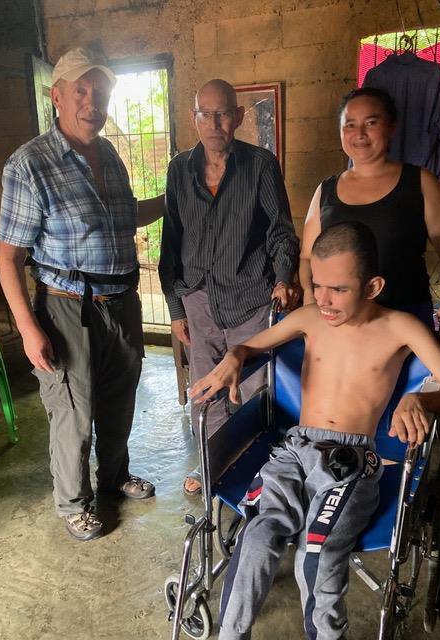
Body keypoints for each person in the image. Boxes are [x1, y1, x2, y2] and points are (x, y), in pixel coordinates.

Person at [189, 222, 440, 640]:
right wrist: (235, 355)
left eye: (339, 289)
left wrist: (422, 400)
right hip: (294, 449)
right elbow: (253, 344)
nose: (324, 300)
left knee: (316, 552)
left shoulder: (401, 328)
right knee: (257, 535)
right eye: (317, 285)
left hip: (350, 463)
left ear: (372, 287)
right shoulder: (310, 317)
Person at [0, 48, 163, 541]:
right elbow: (7, 256)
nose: (93, 102)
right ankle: (74, 502)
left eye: (101, 93)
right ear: (58, 96)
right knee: (73, 409)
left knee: (119, 399)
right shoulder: (29, 164)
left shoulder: (108, 155)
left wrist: (176, 196)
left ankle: (113, 477)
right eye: (81, 91)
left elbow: (126, 216)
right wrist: (28, 329)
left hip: (121, 302)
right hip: (68, 307)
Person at [159, 79, 300, 495]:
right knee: (206, 390)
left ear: (237, 117)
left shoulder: (260, 165)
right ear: (194, 118)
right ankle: (211, 464)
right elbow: (171, 241)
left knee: (254, 392)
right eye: (206, 114)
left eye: (223, 114)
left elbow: (280, 232)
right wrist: (176, 308)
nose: (215, 123)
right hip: (198, 301)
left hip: (249, 298)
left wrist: (284, 278)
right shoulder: (179, 169)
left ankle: (259, 470)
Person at [299, 86, 440, 328]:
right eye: (350, 125)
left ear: (391, 126)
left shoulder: (420, 182)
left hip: (406, 320)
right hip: (341, 324)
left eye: (371, 123)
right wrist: (311, 297)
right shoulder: (326, 190)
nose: (360, 134)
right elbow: (307, 257)